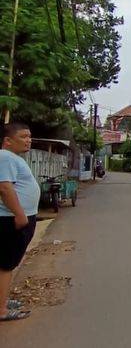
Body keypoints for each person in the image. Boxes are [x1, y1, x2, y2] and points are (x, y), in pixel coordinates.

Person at [0, 122, 40, 321]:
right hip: (11, 219)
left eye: (29, 136)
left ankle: (2, 300)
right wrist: (20, 214)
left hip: (15, 217)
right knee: (6, 264)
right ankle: (1, 310)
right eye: (23, 136)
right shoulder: (5, 157)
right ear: (7, 141)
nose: (28, 140)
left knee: (7, 263)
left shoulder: (11, 158)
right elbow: (5, 188)